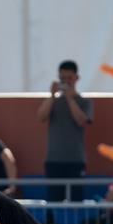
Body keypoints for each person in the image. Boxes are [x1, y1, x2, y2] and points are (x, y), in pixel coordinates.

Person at [37, 60, 93, 203]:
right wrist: (52, 95)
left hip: (76, 160)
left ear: (76, 78)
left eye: (69, 78)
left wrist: (69, 98)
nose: (66, 82)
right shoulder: (53, 101)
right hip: (53, 160)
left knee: (76, 202)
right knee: (53, 202)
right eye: (62, 78)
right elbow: (41, 117)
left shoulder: (84, 101)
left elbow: (81, 121)